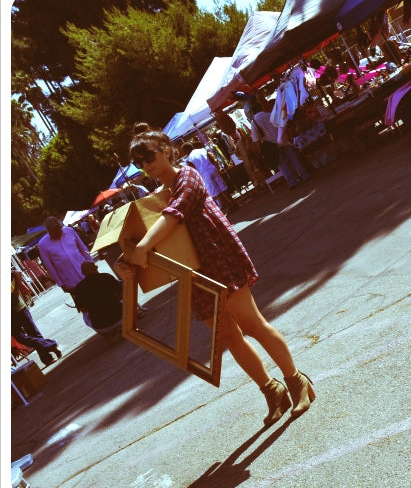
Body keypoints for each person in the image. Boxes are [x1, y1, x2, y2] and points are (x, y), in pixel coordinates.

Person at [116, 129, 315, 425]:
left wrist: (142, 248)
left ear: (167, 151)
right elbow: (144, 232)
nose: (145, 164)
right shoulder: (158, 196)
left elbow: (173, 215)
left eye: (148, 156)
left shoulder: (188, 177)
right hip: (193, 273)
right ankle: (272, 391)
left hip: (218, 259)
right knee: (228, 337)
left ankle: (297, 381)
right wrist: (125, 258)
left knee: (253, 325)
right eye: (138, 161)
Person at [251, 101, 310, 189]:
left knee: (282, 165)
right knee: (293, 159)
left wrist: (261, 150)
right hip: (283, 140)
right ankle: (304, 175)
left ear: (253, 112)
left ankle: (293, 182)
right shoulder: (270, 115)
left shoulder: (254, 122)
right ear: (261, 108)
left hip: (271, 147)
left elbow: (256, 139)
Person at [12, 269, 62, 365]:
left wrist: (16, 291)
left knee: (33, 333)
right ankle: (51, 344)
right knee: (20, 337)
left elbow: (17, 273)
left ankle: (47, 358)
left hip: (19, 308)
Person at [38, 216, 94, 301]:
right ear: (49, 231)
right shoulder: (42, 244)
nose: (57, 231)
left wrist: (91, 263)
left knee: (97, 297)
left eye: (58, 227)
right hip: (70, 281)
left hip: (87, 273)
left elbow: (83, 249)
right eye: (53, 230)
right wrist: (60, 283)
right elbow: (49, 266)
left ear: (60, 225)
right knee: (84, 304)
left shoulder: (70, 231)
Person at [180, 142, 239, 214]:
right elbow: (212, 158)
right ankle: (233, 203)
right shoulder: (202, 150)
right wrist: (216, 167)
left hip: (204, 174)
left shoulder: (189, 159)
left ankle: (229, 206)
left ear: (186, 150)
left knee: (216, 192)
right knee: (222, 188)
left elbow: (194, 170)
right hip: (212, 169)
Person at [73, 261, 123, 333]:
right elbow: (121, 295)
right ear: (95, 268)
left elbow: (83, 309)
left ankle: (107, 334)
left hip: (101, 326)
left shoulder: (79, 288)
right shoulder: (106, 276)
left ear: (83, 273)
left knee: (85, 315)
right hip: (121, 318)